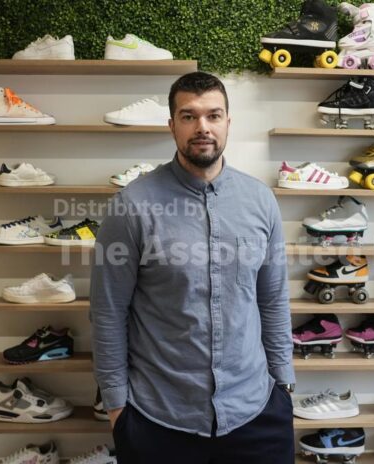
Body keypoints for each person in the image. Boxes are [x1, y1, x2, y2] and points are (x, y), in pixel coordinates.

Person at [90, 71, 295, 464]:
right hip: (159, 419)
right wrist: (117, 407)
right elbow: (108, 311)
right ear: (172, 125)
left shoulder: (261, 201)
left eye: (213, 115)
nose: (203, 127)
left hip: (256, 412)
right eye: (189, 116)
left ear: (228, 123)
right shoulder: (131, 206)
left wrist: (284, 382)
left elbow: (272, 299)